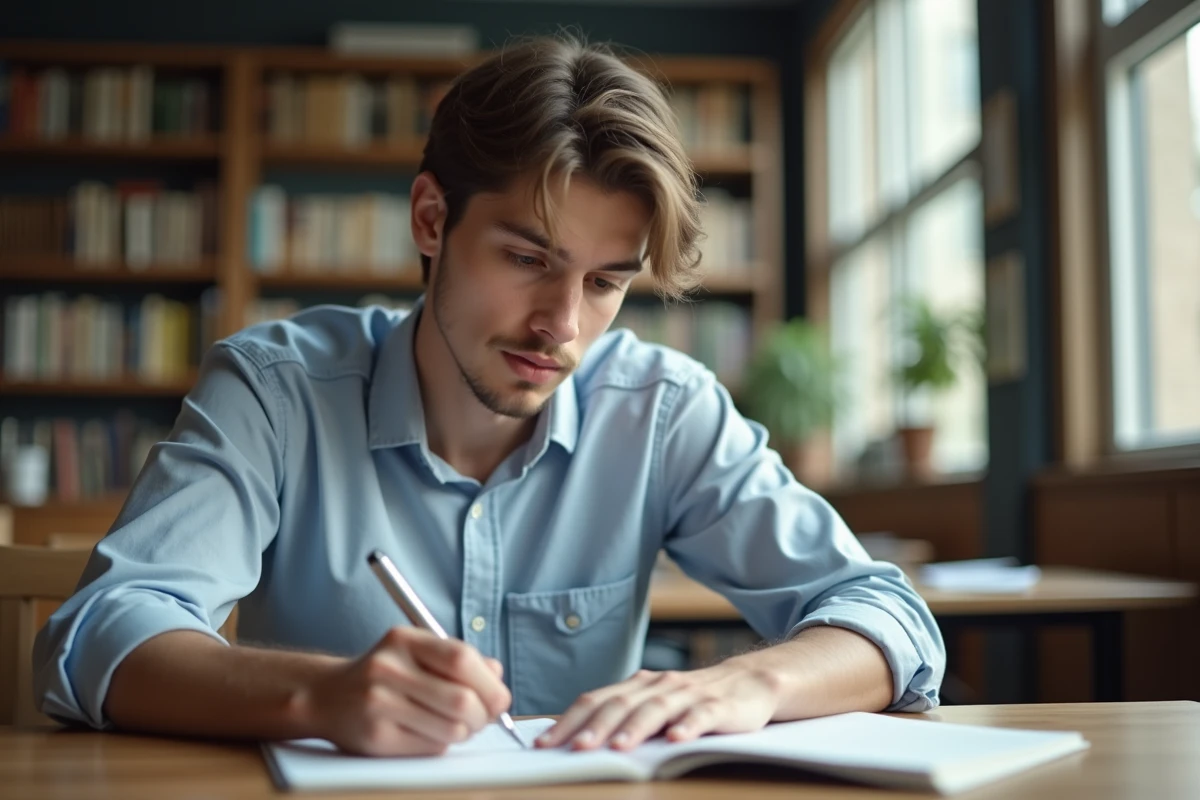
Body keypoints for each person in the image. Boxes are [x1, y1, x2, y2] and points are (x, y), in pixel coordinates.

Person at [33, 36, 944, 757]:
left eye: (603, 282)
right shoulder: (277, 392)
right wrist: (319, 696)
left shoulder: (663, 410)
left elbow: (887, 616)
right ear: (432, 220)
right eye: (527, 260)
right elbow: (99, 636)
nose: (563, 324)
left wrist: (750, 686)